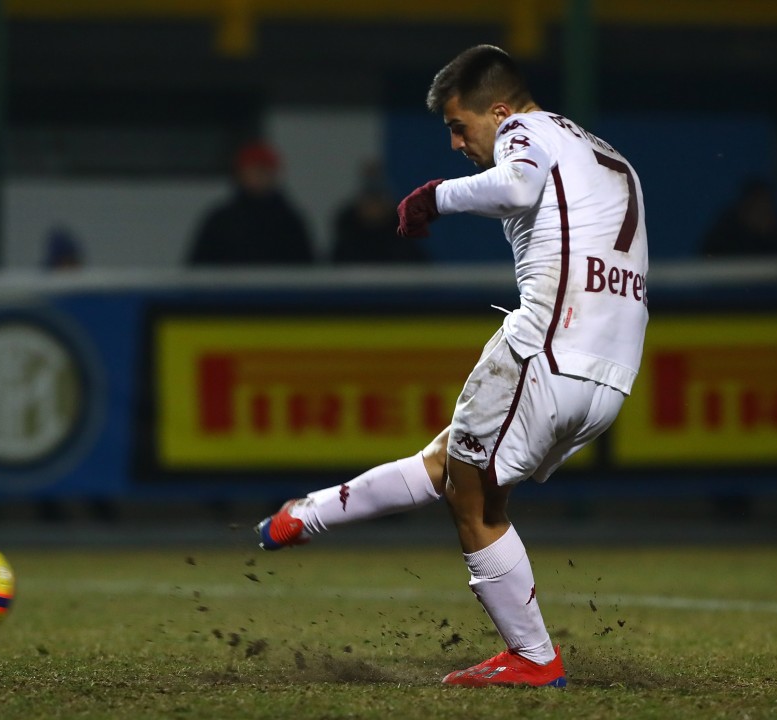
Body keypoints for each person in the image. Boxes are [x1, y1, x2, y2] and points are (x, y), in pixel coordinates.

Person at [255, 44, 649, 689]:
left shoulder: (527, 130)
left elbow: (517, 183)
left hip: (548, 345)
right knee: (450, 464)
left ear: (499, 110)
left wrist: (433, 200)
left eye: (459, 127)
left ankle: (532, 657)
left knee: (473, 498)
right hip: (609, 374)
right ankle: (304, 515)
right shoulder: (606, 154)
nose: (456, 144)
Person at [187, 141, 315, 266]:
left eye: (265, 170)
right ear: (240, 174)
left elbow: (307, 268)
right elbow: (199, 268)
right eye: (253, 170)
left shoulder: (289, 221)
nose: (259, 176)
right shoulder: (221, 221)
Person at [330, 160, 428, 264]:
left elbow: (420, 269)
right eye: (370, 196)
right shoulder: (347, 227)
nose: (374, 205)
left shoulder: (403, 228)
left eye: (378, 197)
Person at [701, 178, 777, 266]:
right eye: (759, 208)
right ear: (745, 210)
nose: (765, 214)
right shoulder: (723, 236)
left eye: (769, 208)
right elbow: (705, 265)